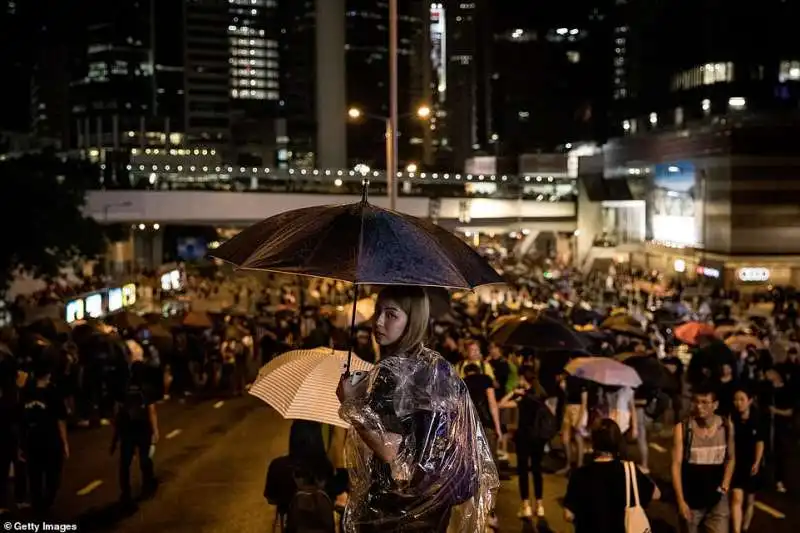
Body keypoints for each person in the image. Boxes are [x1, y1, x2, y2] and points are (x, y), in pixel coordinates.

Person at [337, 286, 498, 533]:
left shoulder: (394, 375)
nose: (378, 321)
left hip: (400, 510)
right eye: (378, 312)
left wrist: (350, 406)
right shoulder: (435, 367)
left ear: (412, 320)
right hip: (432, 508)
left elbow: (393, 452)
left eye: (391, 314)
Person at [563, 418, 659, 533]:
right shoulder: (629, 471)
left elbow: (568, 514)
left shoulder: (579, 474)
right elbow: (656, 494)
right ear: (617, 441)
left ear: (594, 442)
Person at [671, 385, 735, 533]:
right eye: (696, 402)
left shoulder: (726, 427)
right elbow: (676, 465)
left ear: (715, 405)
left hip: (717, 499)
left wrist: (725, 485)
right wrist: (680, 501)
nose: (699, 407)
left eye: (705, 402)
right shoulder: (683, 428)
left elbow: (731, 458)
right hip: (691, 499)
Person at [499, 365, 550, 519]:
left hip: (524, 437)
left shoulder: (523, 397)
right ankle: (540, 506)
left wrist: (513, 392)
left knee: (523, 472)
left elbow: (501, 404)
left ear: (522, 378)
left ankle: (526, 506)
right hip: (539, 438)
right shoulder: (540, 394)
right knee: (536, 470)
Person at [19, 360, 69, 514]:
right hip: (50, 438)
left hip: (31, 438)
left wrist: (20, 443)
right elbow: (60, 419)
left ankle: (37, 503)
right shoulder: (53, 392)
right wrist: (64, 442)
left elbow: (21, 418)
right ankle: (46, 502)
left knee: (35, 473)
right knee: (53, 473)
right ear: (48, 374)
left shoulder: (26, 392)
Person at [112, 359, 159, 506]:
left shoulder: (124, 388)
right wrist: (155, 430)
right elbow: (151, 411)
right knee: (145, 458)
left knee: (125, 463)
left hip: (127, 429)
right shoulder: (147, 388)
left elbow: (117, 411)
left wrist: (116, 433)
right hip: (143, 428)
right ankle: (148, 486)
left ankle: (125, 492)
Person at [730, 388, 765, 533]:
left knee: (750, 501)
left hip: (752, 464)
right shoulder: (732, 418)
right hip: (737, 463)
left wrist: (756, 462)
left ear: (749, 401)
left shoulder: (757, 419)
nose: (738, 403)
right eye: (736, 400)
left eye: (742, 399)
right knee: (736, 498)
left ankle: (745, 527)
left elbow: (760, 442)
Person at [558, 374, 588, 474]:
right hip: (568, 408)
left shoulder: (583, 381)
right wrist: (563, 388)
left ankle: (579, 466)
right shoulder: (568, 379)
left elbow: (584, 402)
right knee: (565, 438)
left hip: (578, 409)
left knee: (578, 437)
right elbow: (567, 397)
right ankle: (568, 464)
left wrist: (580, 420)